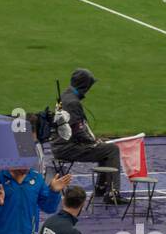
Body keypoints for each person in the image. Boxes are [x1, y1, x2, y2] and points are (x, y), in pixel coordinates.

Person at [50, 69, 128, 205]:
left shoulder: (64, 96)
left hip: (60, 145)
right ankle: (112, 193)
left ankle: (101, 188)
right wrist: (94, 141)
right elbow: (78, 130)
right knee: (112, 149)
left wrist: (95, 141)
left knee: (104, 148)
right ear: (85, 86)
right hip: (68, 148)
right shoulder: (73, 102)